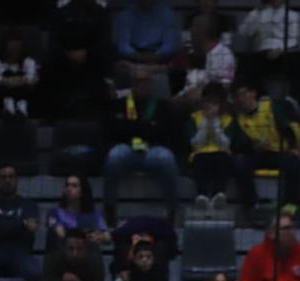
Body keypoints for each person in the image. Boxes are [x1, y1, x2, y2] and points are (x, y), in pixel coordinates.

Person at [102, 69, 179, 224]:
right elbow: (114, 130)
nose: (142, 84)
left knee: (167, 158)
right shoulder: (119, 105)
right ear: (132, 84)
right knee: (113, 156)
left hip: (153, 150)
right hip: (127, 149)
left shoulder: (162, 106)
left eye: (145, 81)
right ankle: (109, 207)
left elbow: (165, 132)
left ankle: (171, 209)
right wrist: (147, 127)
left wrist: (132, 127)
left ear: (150, 84)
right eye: (138, 81)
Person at [230, 80, 300, 215]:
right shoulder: (238, 118)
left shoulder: (271, 107)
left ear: (253, 93)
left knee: (294, 161)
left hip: (278, 152)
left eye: (243, 94)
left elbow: (289, 127)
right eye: (237, 96)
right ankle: (251, 205)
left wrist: (293, 146)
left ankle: (290, 204)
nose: (241, 98)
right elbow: (238, 142)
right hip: (256, 155)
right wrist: (253, 146)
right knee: (239, 162)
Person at [236, 0, 300, 101]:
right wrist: (257, 13)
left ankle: (293, 99)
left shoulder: (293, 15)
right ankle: (262, 96)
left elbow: (294, 39)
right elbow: (244, 31)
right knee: (246, 62)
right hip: (262, 53)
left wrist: (281, 50)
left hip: (284, 53)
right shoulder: (258, 14)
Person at [187, 82, 235, 210]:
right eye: (208, 101)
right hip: (200, 153)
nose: (210, 106)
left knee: (222, 160)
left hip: (221, 153)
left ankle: (218, 195)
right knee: (200, 160)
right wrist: (206, 122)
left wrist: (214, 122)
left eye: (215, 102)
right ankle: (202, 196)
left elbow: (225, 144)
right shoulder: (195, 117)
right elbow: (196, 144)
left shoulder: (227, 119)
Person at [176, 14, 236, 106]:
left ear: (202, 31)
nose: (190, 32)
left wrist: (200, 95)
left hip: (214, 105)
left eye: (193, 27)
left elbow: (224, 88)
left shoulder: (224, 54)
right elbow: (189, 86)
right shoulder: (194, 53)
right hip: (190, 102)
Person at [112, 0, 182, 75]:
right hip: (132, 60)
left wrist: (155, 56)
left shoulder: (167, 14)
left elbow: (170, 45)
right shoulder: (125, 15)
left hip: (161, 61)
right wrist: (138, 57)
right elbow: (123, 45)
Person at [0, 29, 39, 118]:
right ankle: (7, 110)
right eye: (12, 43)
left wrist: (16, 81)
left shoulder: (29, 62)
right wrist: (9, 81)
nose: (15, 47)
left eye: (17, 44)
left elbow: (32, 78)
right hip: (2, 96)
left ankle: (21, 111)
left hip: (24, 95)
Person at [45, 174, 107, 246]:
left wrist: (99, 237)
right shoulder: (53, 212)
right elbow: (62, 234)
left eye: (74, 186)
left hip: (87, 254)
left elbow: (107, 237)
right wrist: (88, 233)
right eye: (67, 185)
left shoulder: (95, 213)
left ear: (83, 191)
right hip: (62, 254)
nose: (69, 188)